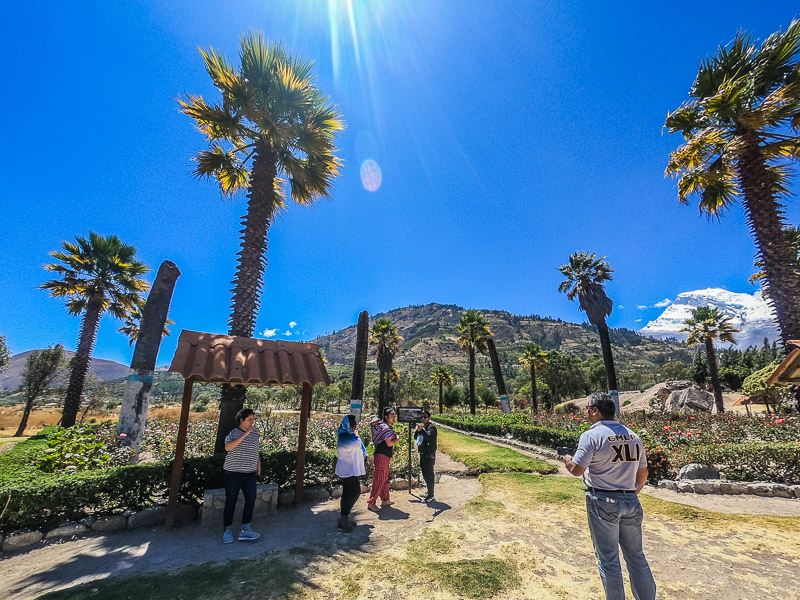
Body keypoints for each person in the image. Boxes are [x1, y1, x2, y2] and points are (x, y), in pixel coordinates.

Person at [562, 392, 656, 600]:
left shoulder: (592, 435)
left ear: (595, 410)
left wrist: (567, 459)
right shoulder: (633, 436)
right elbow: (643, 472)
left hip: (603, 500)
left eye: (588, 408)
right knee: (636, 557)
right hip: (630, 499)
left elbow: (577, 470)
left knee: (609, 560)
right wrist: (632, 493)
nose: (586, 412)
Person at [222, 408, 262, 544]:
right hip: (233, 474)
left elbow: (256, 450)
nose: (252, 422)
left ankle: (246, 529)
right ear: (242, 420)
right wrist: (244, 435)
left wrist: (258, 464)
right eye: (249, 419)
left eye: (253, 419)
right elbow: (228, 447)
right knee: (231, 501)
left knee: (251, 500)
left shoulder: (255, 434)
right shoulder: (233, 433)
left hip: (250, 474)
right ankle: (227, 530)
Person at [335, 414, 367, 532]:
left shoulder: (348, 435)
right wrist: (357, 436)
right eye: (353, 425)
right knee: (355, 492)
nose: (355, 427)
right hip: (347, 470)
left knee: (347, 493)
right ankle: (344, 517)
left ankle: (343, 518)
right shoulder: (345, 437)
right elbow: (357, 444)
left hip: (349, 469)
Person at [367, 407, 399, 511]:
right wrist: (397, 439)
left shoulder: (385, 427)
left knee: (384, 478)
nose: (394, 418)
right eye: (392, 416)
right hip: (381, 456)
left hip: (384, 456)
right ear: (386, 417)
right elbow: (389, 443)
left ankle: (385, 499)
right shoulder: (385, 427)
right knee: (379, 479)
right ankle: (371, 503)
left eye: (394, 416)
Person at [414, 409, 437, 502]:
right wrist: (417, 431)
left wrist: (422, 430)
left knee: (429, 474)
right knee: (424, 473)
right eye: (421, 417)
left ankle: (431, 495)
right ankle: (429, 492)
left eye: (425, 417)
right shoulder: (423, 427)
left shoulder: (432, 428)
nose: (422, 418)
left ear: (429, 418)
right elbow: (416, 437)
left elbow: (427, 436)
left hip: (429, 454)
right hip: (423, 453)